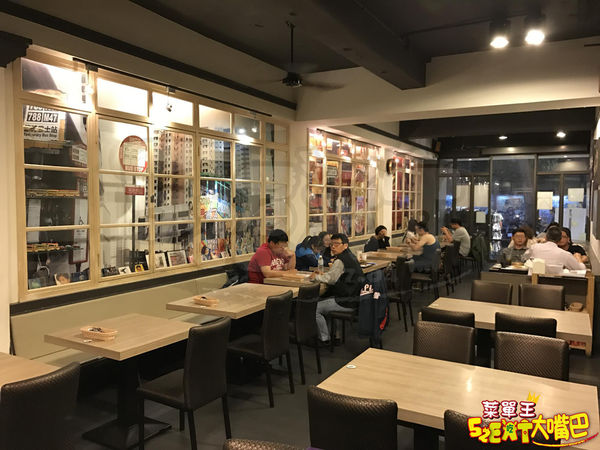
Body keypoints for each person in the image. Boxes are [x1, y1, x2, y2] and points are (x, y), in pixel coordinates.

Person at [310, 233, 365, 342]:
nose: (333, 247)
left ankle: (324, 339)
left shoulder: (340, 260)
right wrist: (324, 275)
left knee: (313, 308)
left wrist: (315, 277)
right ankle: (336, 335)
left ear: (345, 245)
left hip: (346, 301)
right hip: (355, 299)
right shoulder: (351, 256)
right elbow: (335, 275)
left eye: (337, 244)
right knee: (326, 300)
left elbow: (331, 279)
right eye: (331, 244)